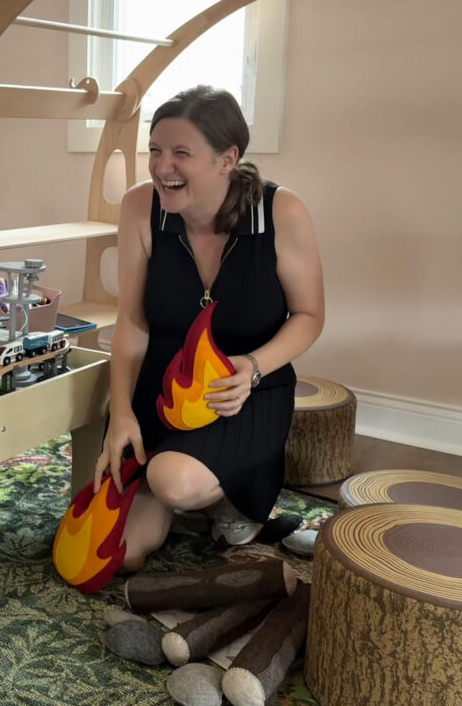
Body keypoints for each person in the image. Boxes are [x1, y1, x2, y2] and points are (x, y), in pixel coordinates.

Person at [93, 85, 324, 570]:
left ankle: (233, 491)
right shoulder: (139, 207)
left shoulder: (281, 212)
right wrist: (122, 414)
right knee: (120, 556)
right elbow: (132, 320)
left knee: (174, 480)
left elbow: (309, 316)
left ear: (227, 159)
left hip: (243, 389)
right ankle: (169, 480)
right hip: (163, 388)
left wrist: (253, 367)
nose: (162, 167)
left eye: (181, 153)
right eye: (155, 150)